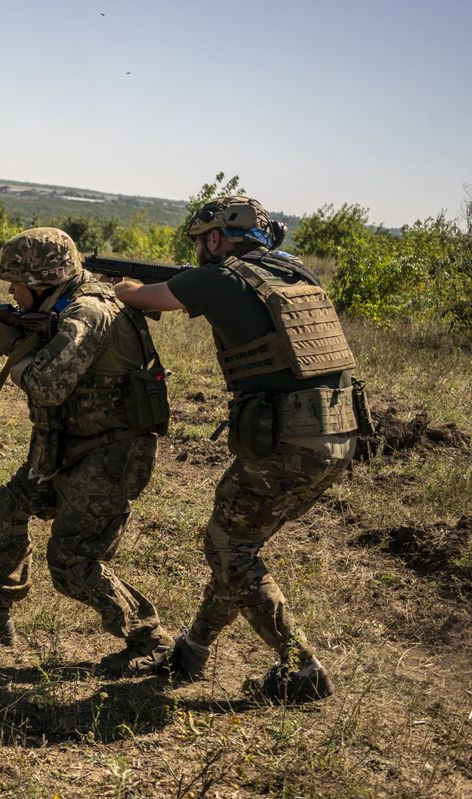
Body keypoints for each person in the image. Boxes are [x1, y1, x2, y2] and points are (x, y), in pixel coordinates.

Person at [113, 196, 362, 702]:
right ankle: (193, 649)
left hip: (287, 441)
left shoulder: (219, 277)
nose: (202, 250)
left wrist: (121, 287)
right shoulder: (299, 276)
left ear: (214, 238)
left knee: (228, 548)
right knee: (238, 548)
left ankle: (303, 669)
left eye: (202, 241)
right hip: (339, 434)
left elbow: (142, 298)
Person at [0, 228, 174, 675]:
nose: (11, 293)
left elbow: (47, 384)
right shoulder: (54, 307)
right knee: (4, 508)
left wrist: (19, 360)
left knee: (72, 561)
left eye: (16, 284)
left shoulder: (87, 313)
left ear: (41, 282)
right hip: (64, 447)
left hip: (109, 455)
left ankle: (149, 637)